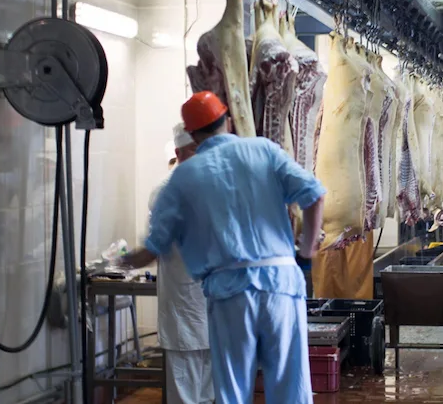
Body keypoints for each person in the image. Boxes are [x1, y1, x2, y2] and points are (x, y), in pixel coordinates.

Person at [120, 91, 326, 404]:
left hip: (230, 294)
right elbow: (314, 195)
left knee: (232, 390)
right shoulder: (264, 150)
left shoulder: (183, 177)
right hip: (281, 285)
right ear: (228, 121)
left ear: (192, 136)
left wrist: (124, 260)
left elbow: (153, 247)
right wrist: (307, 250)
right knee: (289, 386)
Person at [152, 124, 212, 404]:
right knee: (185, 392)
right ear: (178, 153)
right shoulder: (166, 191)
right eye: (194, 150)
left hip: (211, 305)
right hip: (183, 308)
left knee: (208, 393)